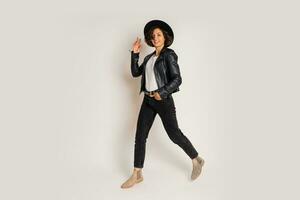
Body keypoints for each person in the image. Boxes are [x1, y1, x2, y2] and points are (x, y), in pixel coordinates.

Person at [121, 19, 205, 189]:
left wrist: (163, 92)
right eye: (153, 36)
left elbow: (177, 79)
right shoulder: (149, 58)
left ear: (165, 37)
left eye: (159, 35)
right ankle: (137, 173)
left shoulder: (169, 55)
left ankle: (196, 159)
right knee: (140, 136)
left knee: (174, 134)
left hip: (163, 100)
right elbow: (135, 73)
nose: (155, 38)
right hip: (148, 100)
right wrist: (134, 54)